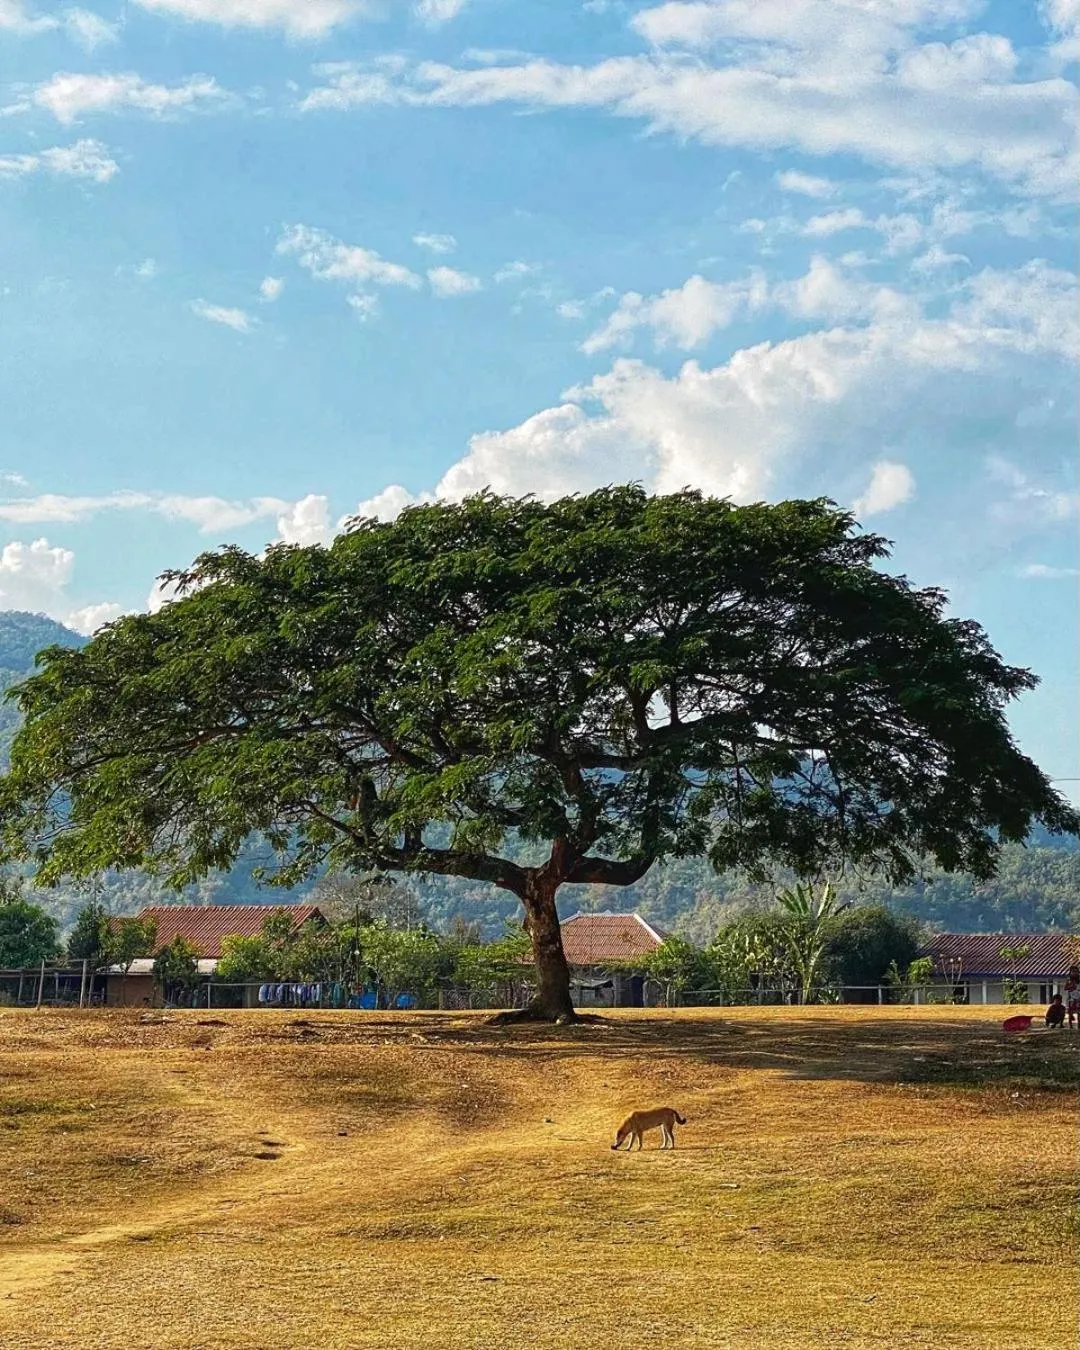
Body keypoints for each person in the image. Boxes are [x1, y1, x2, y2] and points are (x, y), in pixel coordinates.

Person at [1064, 965, 1080, 1031]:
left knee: (1079, 1012)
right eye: (1073, 972)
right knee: (1070, 1012)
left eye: (1076, 971)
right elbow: (1065, 988)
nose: (1074, 973)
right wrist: (1071, 987)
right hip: (1071, 998)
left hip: (1079, 997)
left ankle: (1079, 1025)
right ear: (1070, 972)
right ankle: (1070, 1026)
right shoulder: (1068, 980)